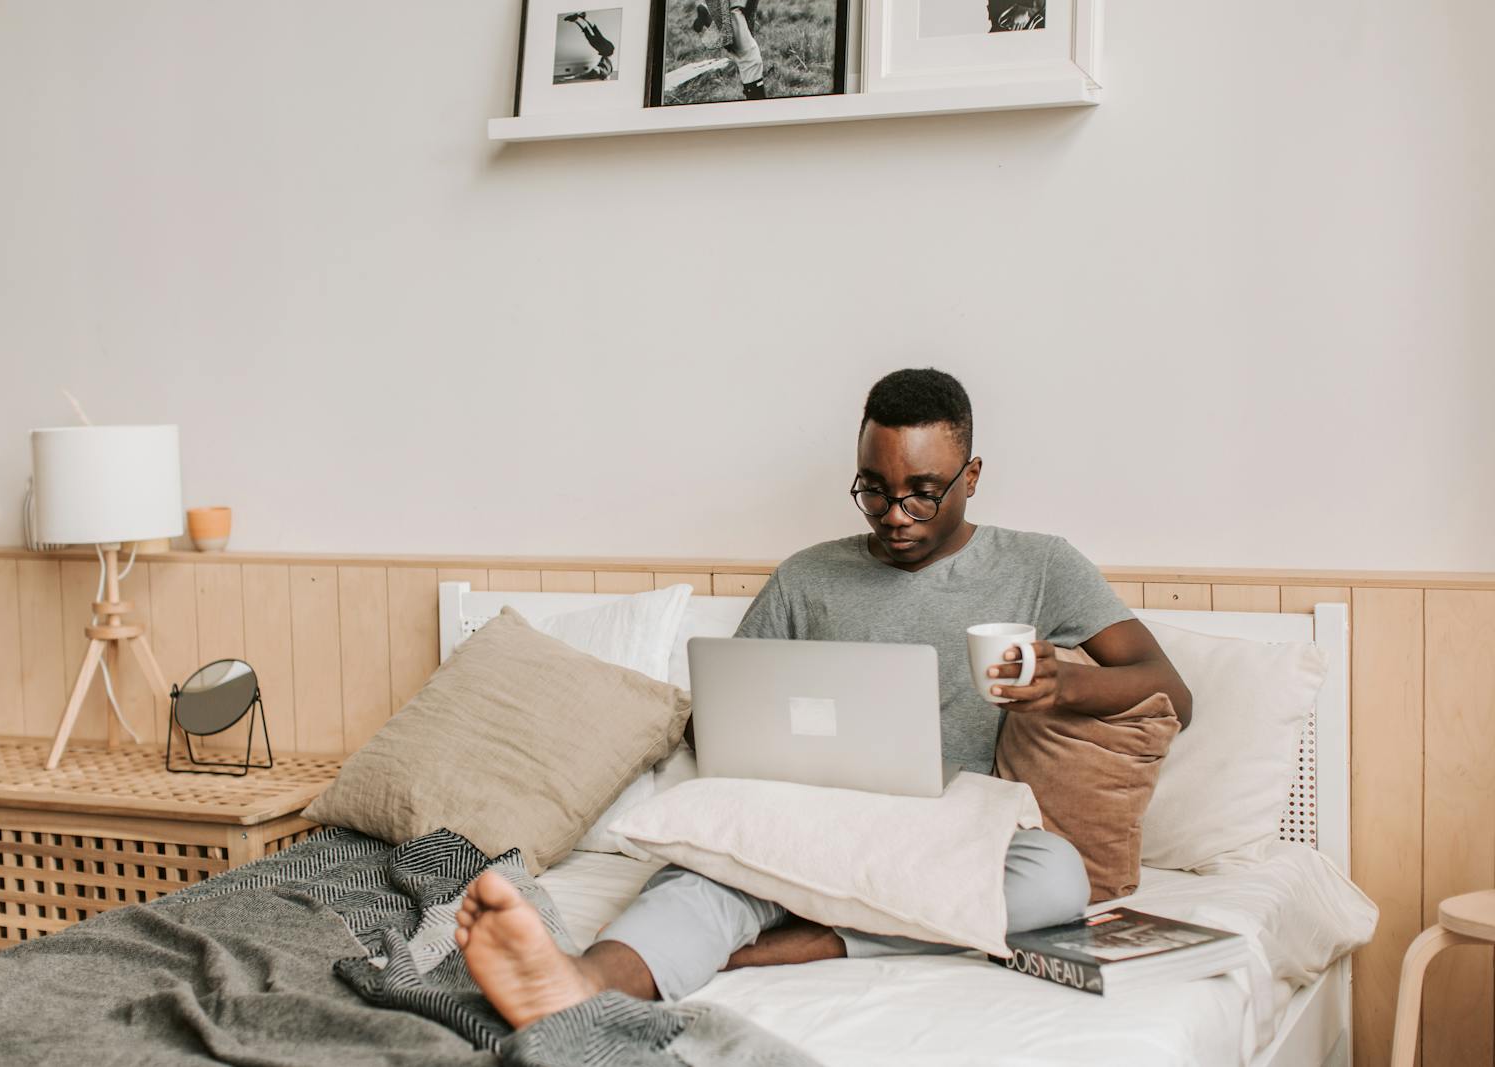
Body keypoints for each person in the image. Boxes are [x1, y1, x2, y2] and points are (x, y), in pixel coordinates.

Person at [454, 367, 1194, 1031]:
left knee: (1055, 876)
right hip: (805, 820)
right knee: (706, 871)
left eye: (923, 492)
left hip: (944, 837)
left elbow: (1172, 692)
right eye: (874, 487)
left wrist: (1062, 681)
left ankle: (820, 938)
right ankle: (579, 980)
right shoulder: (807, 578)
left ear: (971, 476)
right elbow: (722, 715)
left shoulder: (1041, 566)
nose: (895, 513)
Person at [691, 0, 767, 99]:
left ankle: (710, 19)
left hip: (735, 8)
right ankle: (757, 107)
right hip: (733, 8)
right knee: (751, 60)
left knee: (743, 53)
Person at [563, 12, 617, 80]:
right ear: (599, 72)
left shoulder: (598, 70)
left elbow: (580, 75)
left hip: (600, 48)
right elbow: (608, 76)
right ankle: (584, 18)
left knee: (588, 34)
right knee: (596, 32)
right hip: (607, 49)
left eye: (594, 69)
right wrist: (606, 77)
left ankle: (576, 20)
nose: (595, 68)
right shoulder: (605, 73)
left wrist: (568, 77)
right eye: (596, 70)